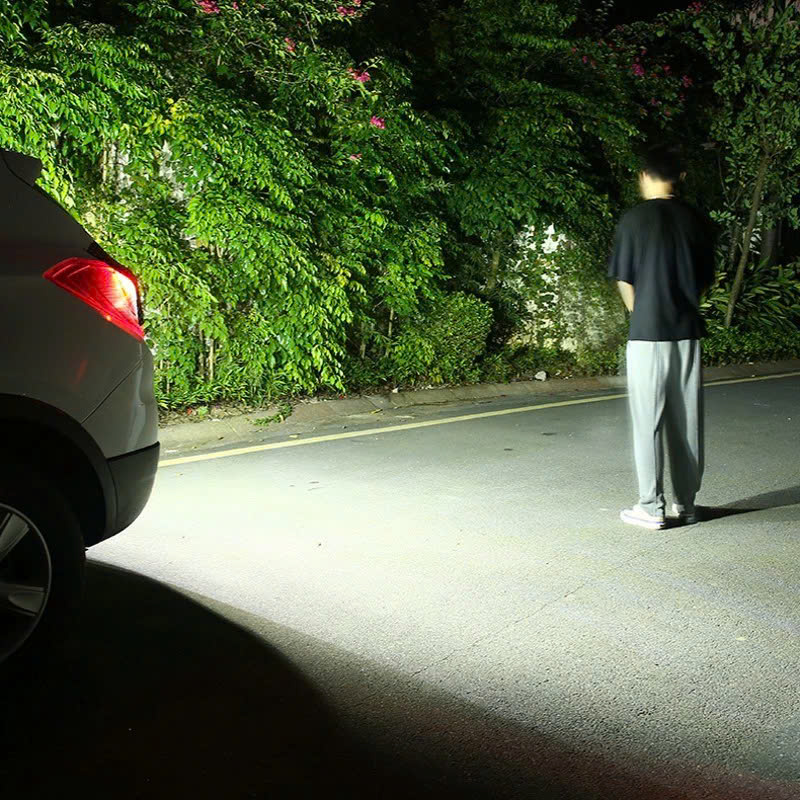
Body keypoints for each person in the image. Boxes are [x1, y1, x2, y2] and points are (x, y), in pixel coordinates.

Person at [608, 144, 715, 530]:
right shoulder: (696, 221)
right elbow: (704, 280)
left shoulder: (633, 220)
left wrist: (640, 311)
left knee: (647, 420)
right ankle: (686, 505)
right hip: (686, 332)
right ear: (679, 178)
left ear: (644, 176)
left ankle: (651, 507)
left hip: (647, 332)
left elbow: (625, 279)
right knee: (686, 422)